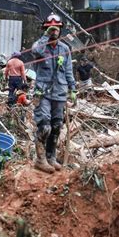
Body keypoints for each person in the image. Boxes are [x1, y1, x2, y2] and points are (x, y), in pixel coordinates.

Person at [31, 13, 76, 173]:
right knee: (45, 127)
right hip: (42, 92)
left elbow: (69, 70)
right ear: (45, 29)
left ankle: (51, 157)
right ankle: (40, 160)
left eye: (56, 29)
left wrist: (73, 89)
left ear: (61, 30)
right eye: (51, 29)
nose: (54, 31)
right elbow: (35, 51)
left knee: (57, 126)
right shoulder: (41, 46)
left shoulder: (64, 49)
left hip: (60, 92)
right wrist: (45, 36)